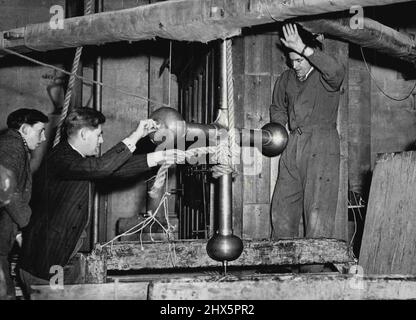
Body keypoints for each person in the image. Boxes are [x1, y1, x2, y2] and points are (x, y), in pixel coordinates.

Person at [18, 107, 185, 293]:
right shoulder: (61, 158)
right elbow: (103, 167)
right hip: (45, 263)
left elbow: (112, 170)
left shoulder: (75, 159)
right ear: (83, 134)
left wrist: (158, 157)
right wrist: (136, 135)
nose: (102, 140)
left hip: (58, 259)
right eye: (99, 135)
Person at [269, 24, 346, 240]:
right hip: (292, 144)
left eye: (299, 60)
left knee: (317, 212)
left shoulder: (325, 75)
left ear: (309, 54)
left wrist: (303, 48)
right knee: (282, 207)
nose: (295, 65)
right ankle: (280, 266)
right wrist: (278, 128)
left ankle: (314, 269)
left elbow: (337, 72)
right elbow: (277, 107)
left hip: (322, 144)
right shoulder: (285, 79)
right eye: (291, 60)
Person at [0, 108, 49, 300]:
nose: (43, 138)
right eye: (40, 131)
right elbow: (6, 188)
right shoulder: (11, 146)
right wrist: (26, 224)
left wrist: (18, 233)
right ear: (25, 129)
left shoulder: (13, 145)